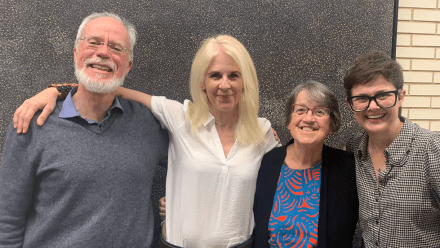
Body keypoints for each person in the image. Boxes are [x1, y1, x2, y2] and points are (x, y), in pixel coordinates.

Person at [12, 35, 279, 247]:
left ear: (245, 82)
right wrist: (54, 91)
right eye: (215, 76)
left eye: (233, 75)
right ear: (202, 82)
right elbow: (106, 85)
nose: (224, 85)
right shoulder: (180, 116)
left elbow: (281, 189)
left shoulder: (263, 133)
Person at [0, 12, 168, 247]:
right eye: (94, 42)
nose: (103, 52)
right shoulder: (32, 124)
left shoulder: (148, 124)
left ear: (128, 65)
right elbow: (7, 220)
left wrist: (182, 201)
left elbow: (199, 156)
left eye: (116, 47)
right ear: (76, 53)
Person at [344, 51, 440, 247]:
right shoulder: (354, 150)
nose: (373, 107)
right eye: (362, 98)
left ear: (401, 96)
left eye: (383, 95)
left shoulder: (432, 150)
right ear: (350, 105)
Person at [253, 80, 358, 248]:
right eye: (300, 110)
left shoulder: (346, 169)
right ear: (289, 121)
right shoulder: (267, 163)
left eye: (320, 111)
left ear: (332, 125)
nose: (308, 118)